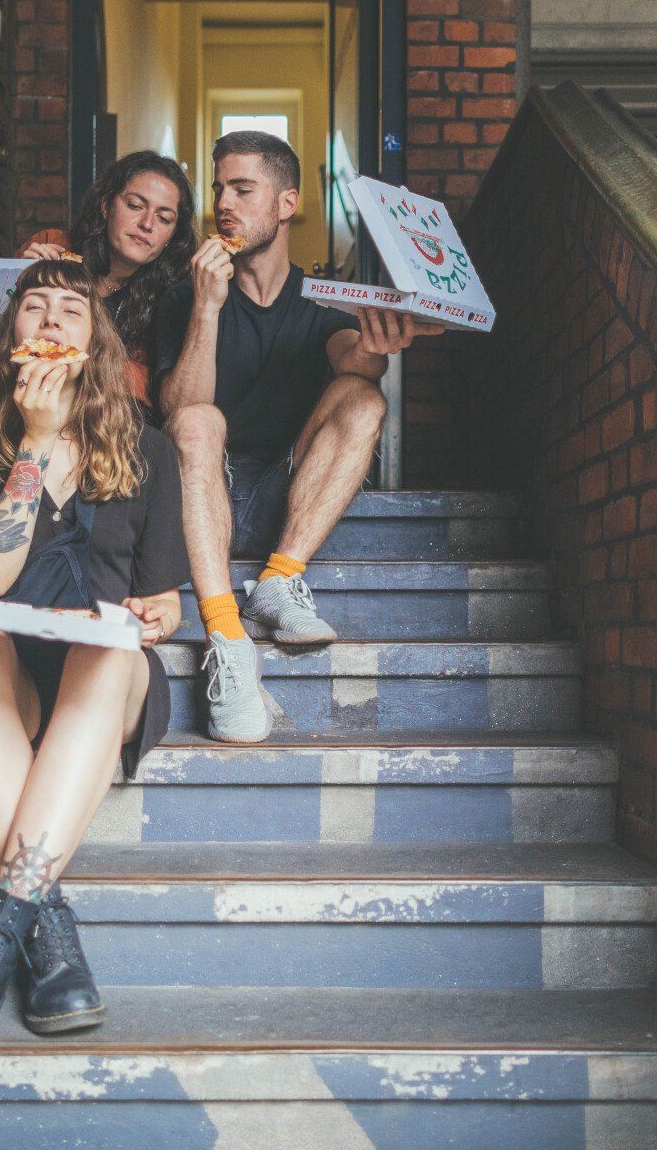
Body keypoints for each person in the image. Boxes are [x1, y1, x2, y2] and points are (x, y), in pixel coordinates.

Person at [0, 258, 189, 1069]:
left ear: (95, 342)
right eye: (35, 308)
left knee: (109, 655)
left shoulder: (151, 449)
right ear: (9, 335)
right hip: (10, 673)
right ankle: (42, 925)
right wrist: (40, 440)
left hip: (104, 676)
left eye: (71, 311)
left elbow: (163, 599)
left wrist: (157, 615)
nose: (52, 322)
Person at [155, 130, 443, 744]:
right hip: (203, 502)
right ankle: (228, 638)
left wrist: (378, 344)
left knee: (364, 396)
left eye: (242, 188)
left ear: (286, 204)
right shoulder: (185, 296)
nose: (222, 204)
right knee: (198, 420)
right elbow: (180, 410)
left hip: (289, 501)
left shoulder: (322, 302)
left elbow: (355, 364)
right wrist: (207, 308)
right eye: (218, 189)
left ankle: (280, 579)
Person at [17, 151, 198, 414]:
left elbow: (149, 391)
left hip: (110, 419)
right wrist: (19, 279)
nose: (147, 224)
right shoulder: (52, 246)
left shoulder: (169, 296)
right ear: (106, 206)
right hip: (31, 398)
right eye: (135, 206)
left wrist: (77, 357)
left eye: (164, 218)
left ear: (172, 235)